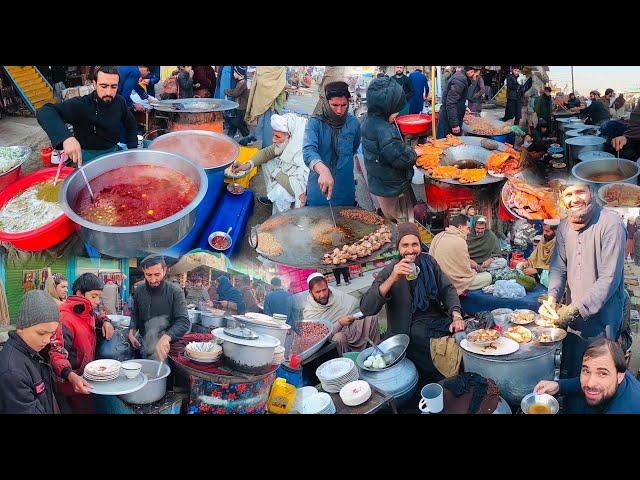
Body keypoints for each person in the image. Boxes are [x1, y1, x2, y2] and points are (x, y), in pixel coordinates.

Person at [360, 223, 465, 382]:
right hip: (407, 330)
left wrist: (456, 315)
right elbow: (367, 308)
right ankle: (434, 385)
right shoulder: (391, 270)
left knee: (460, 338)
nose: (410, 250)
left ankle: (451, 379)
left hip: (435, 321)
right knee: (423, 344)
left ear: (420, 245)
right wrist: (393, 278)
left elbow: (447, 289)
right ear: (398, 248)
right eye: (405, 245)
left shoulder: (429, 262)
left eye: (414, 244)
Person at [544, 181, 626, 379]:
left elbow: (609, 279)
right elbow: (558, 266)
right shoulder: (564, 225)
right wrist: (552, 298)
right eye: (568, 194)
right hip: (573, 317)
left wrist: (574, 309)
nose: (574, 199)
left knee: (597, 373)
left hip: (603, 318)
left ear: (591, 192)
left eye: (580, 192)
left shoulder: (611, 223)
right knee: (573, 369)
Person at [36, 65, 138, 166]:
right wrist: (66, 138)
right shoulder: (82, 105)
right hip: (87, 158)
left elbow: (131, 124)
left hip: (113, 153)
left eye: (113, 86)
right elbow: (45, 111)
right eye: (104, 86)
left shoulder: (120, 102)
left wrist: (132, 151)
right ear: (94, 84)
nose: (109, 92)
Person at [49, 273, 115, 414]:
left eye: (99, 296)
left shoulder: (85, 310)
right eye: (94, 296)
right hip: (70, 383)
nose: (97, 301)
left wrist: (106, 321)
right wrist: (70, 376)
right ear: (79, 293)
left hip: (85, 377)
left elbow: (96, 315)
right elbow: (56, 353)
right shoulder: (64, 317)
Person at [361, 77, 425, 222]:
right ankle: (404, 240)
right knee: (402, 220)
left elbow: (385, 150)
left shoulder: (367, 121)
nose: (397, 114)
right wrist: (414, 152)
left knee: (391, 215)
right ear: (386, 107)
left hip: (380, 183)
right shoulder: (385, 131)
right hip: (393, 187)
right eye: (395, 110)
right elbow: (401, 158)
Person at [534, 339, 640, 413]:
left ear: (620, 376)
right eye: (586, 371)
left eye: (602, 373)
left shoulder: (626, 409)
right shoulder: (618, 374)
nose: (590, 383)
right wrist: (559, 386)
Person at [0, 291, 61, 414]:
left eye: (52, 333)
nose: (47, 340)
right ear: (21, 327)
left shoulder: (35, 351)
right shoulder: (12, 373)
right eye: (41, 333)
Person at [233, 112, 309, 211]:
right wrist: (248, 165)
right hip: (286, 176)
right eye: (273, 135)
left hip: (298, 195)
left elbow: (298, 189)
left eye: (277, 137)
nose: (273, 140)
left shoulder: (302, 153)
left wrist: (276, 172)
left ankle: (282, 218)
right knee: (267, 161)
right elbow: (268, 152)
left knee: (280, 192)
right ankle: (273, 198)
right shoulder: (288, 142)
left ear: (290, 136)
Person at [303, 81, 361, 207]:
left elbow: (354, 148)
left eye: (343, 105)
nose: (339, 110)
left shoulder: (354, 123)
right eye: (334, 105)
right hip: (319, 189)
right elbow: (308, 151)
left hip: (345, 189)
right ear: (326, 103)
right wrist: (323, 170)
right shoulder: (314, 123)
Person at [128, 255, 190, 362]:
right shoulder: (139, 291)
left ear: (164, 270)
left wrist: (167, 337)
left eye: (157, 274)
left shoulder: (175, 291)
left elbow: (183, 321)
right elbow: (135, 314)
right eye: (148, 275)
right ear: (143, 271)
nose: (152, 280)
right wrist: (132, 330)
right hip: (145, 344)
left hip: (168, 348)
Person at [303, 273, 379, 355]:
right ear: (311, 293)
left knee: (371, 317)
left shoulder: (334, 293)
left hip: (350, 328)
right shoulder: (310, 312)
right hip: (334, 339)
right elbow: (322, 339)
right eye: (318, 292)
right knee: (339, 337)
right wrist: (340, 323)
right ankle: (349, 362)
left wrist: (352, 317)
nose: (323, 295)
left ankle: (376, 351)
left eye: (324, 289)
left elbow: (354, 306)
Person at [428, 215, 493, 294]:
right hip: (453, 283)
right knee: (487, 277)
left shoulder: (438, 236)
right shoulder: (460, 241)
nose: (469, 231)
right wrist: (474, 270)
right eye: (467, 228)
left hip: (436, 280)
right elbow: (466, 271)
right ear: (460, 227)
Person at [244, 66, 287, 148]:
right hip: (271, 104)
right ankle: (265, 148)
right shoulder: (280, 69)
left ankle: (262, 145)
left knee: (265, 125)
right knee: (269, 126)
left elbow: (258, 83)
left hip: (262, 101)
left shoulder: (262, 68)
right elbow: (282, 85)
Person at [437, 66, 481, 138]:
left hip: (451, 114)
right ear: (472, 72)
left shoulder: (462, 77)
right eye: (477, 75)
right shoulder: (460, 79)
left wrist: (464, 107)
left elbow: (457, 98)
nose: (476, 78)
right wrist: (454, 125)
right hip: (448, 118)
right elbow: (451, 102)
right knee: (446, 144)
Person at [224, 66, 251, 139]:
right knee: (237, 123)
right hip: (239, 106)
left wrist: (226, 91)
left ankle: (247, 135)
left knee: (236, 122)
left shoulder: (242, 83)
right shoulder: (240, 82)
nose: (233, 74)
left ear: (239, 74)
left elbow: (235, 93)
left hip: (242, 107)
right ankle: (230, 136)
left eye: (234, 72)